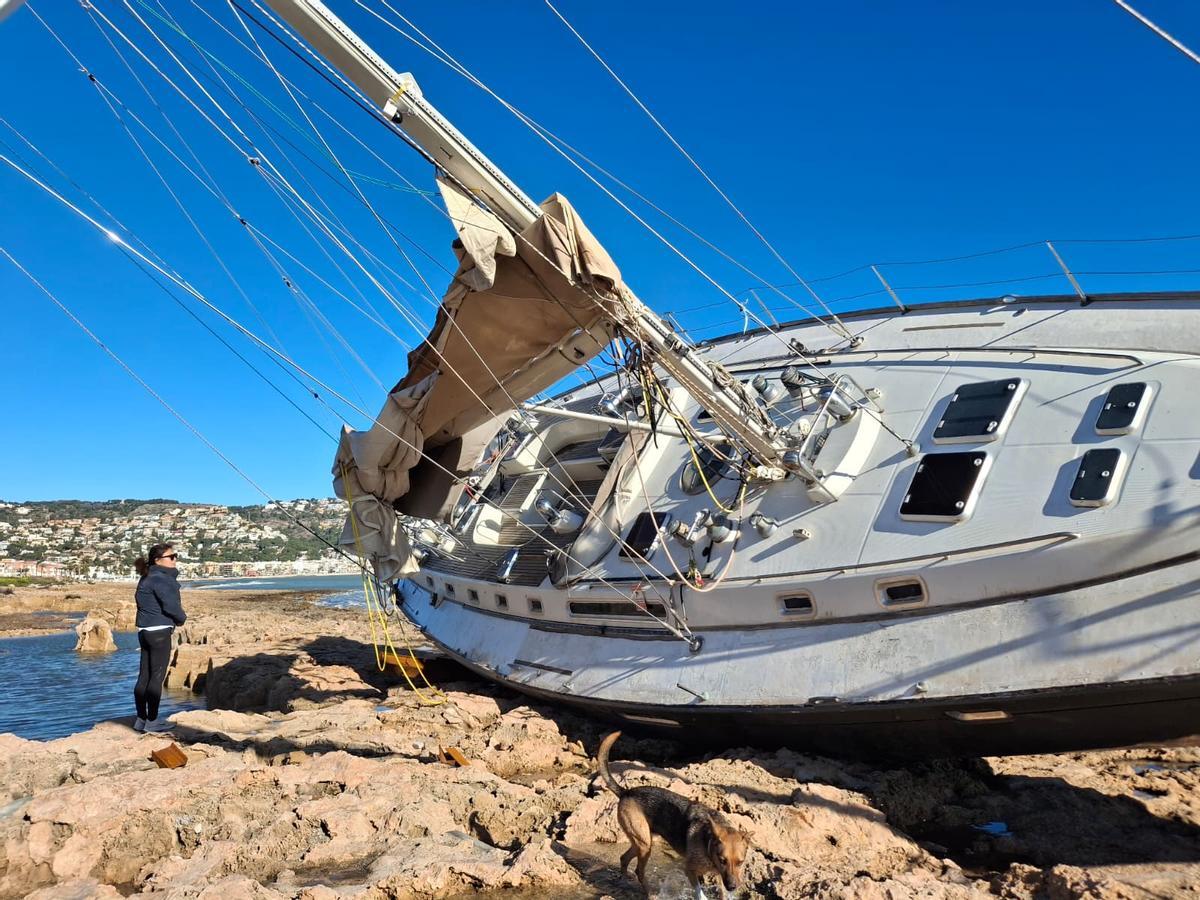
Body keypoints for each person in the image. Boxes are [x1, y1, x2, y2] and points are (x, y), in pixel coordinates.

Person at [132, 542, 186, 733]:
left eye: (175, 556)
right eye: (171, 557)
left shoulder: (146, 577)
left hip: (144, 631)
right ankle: (153, 722)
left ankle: (141, 719)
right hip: (160, 631)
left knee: (144, 676)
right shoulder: (162, 579)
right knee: (156, 676)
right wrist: (181, 619)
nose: (174, 559)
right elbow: (171, 606)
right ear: (158, 560)